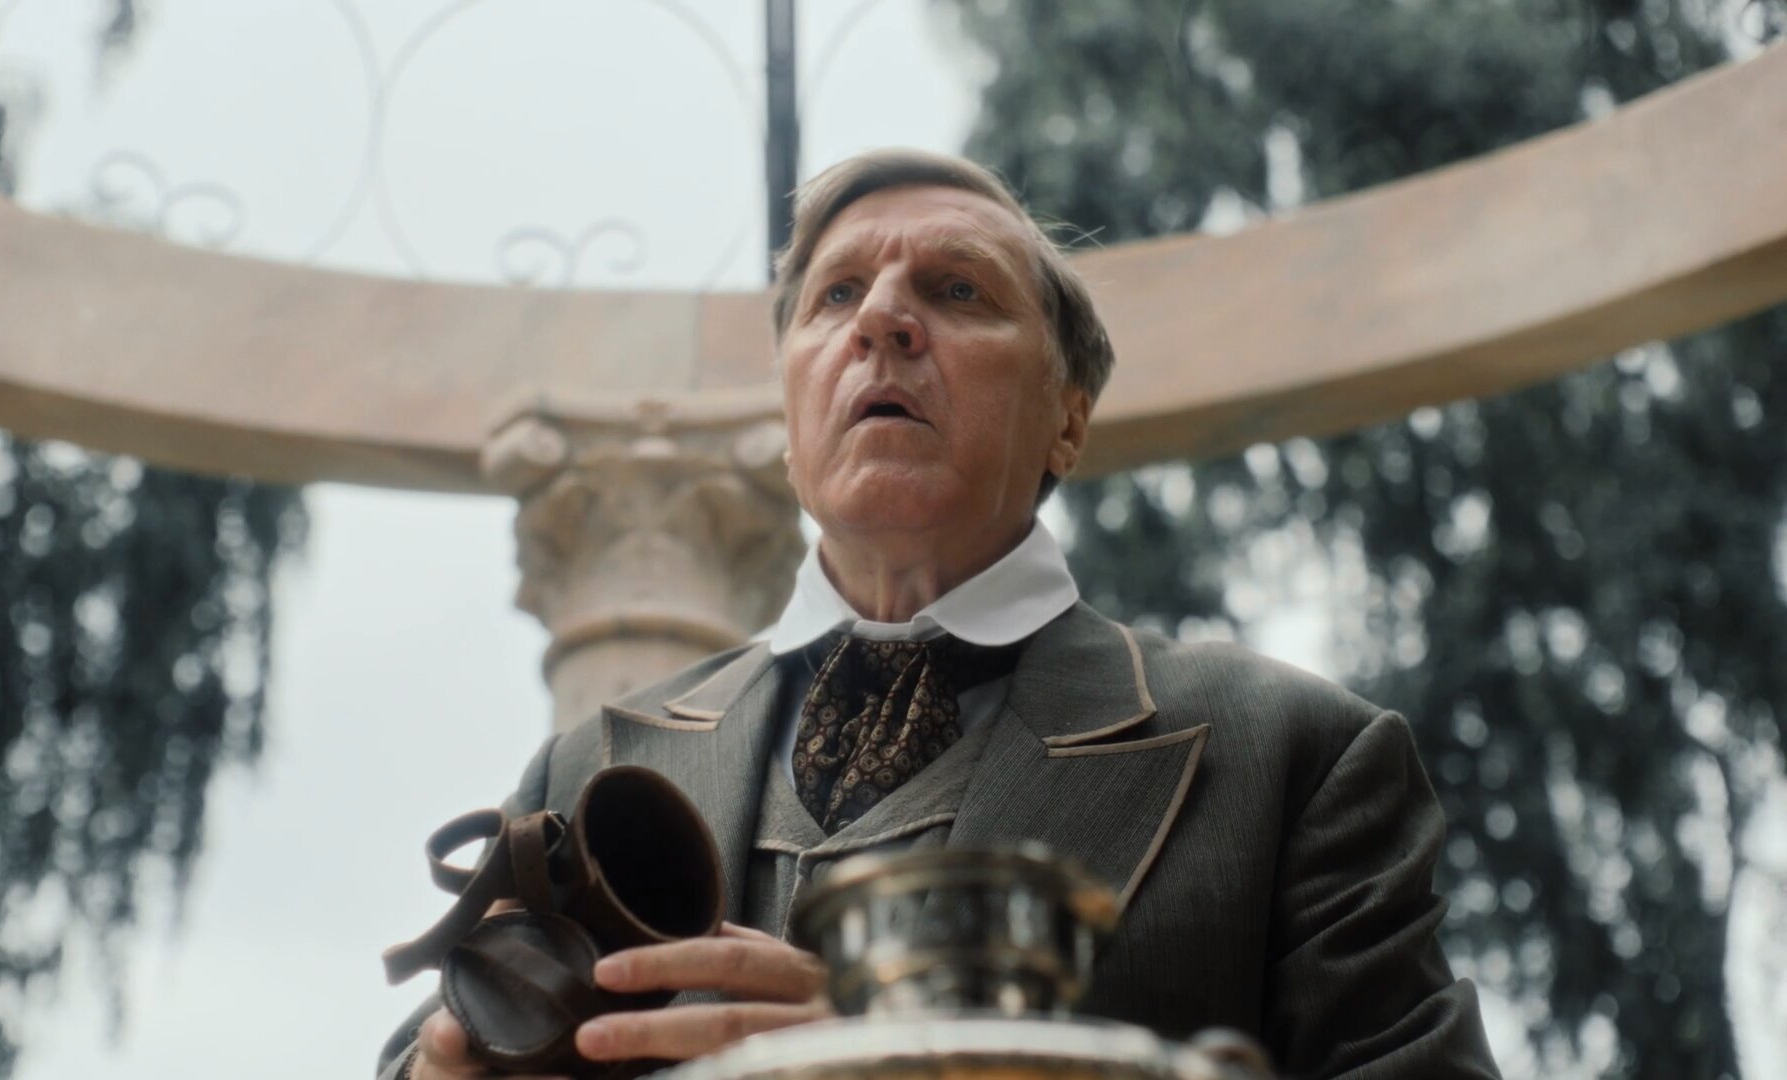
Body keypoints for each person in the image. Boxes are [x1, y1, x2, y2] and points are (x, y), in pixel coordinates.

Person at [379, 148, 1500, 1079]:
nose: (882, 319)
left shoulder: (1295, 760)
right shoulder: (584, 768)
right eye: (835, 295)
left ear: (1068, 421)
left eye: (958, 290)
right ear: (790, 413)